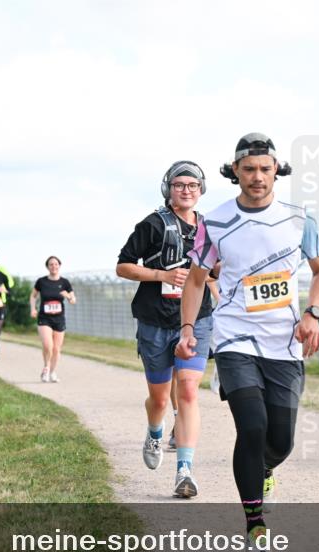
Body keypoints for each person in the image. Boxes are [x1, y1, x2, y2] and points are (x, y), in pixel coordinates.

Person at [178, 133, 319, 552]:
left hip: (284, 340)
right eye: (249, 169)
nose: (257, 177)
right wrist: (188, 327)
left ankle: (264, 469)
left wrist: (312, 313)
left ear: (276, 171)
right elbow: (195, 279)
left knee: (280, 441)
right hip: (234, 337)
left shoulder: (300, 219)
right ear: (235, 173)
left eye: (265, 169)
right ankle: (254, 523)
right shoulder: (215, 221)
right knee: (252, 426)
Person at [116, 160, 216, 499]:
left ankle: (184, 470)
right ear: (168, 189)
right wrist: (161, 275)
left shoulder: (211, 228)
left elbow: (216, 272)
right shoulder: (152, 225)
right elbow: (123, 266)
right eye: (179, 185)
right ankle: (155, 430)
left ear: (201, 191)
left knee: (187, 392)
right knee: (159, 399)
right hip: (155, 320)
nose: (186, 190)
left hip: (197, 319)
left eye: (192, 185)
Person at [30, 256, 76, 383]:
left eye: (56, 264)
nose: (54, 266)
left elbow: (73, 300)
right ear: (47, 266)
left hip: (59, 319)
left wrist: (68, 296)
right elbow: (33, 296)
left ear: (59, 266)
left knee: (56, 349)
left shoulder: (65, 282)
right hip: (44, 318)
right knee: (47, 345)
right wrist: (33, 309)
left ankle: (52, 372)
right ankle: (46, 367)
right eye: (51, 264)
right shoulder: (41, 282)